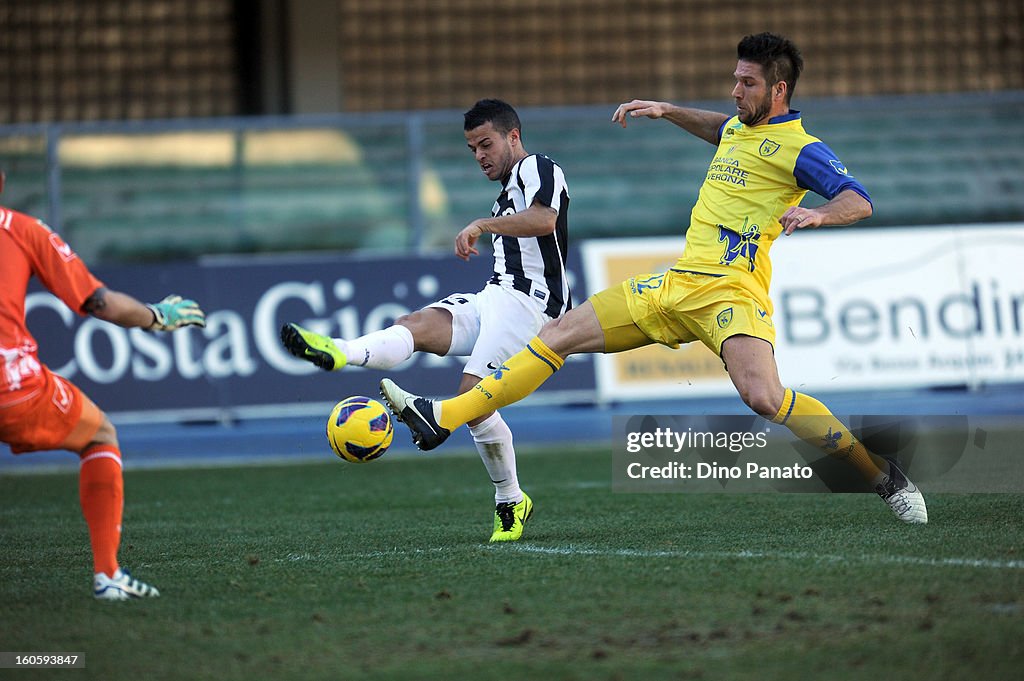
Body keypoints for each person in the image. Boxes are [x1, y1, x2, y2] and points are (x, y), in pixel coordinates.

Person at [380, 33, 927, 524]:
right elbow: (722, 129)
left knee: (763, 397)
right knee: (556, 335)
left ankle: (879, 472)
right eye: (734, 79)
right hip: (676, 283)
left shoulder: (802, 149)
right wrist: (667, 110)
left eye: (747, 83)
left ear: (778, 89)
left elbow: (860, 199)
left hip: (731, 293)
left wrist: (819, 213)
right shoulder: (739, 127)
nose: (735, 91)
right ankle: (444, 417)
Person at [280, 99, 572, 541]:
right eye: (472, 148)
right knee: (415, 324)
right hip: (496, 297)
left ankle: (510, 499)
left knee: (473, 400)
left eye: (486, 144)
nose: (479, 156)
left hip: (532, 307)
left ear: (513, 136)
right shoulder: (505, 190)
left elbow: (545, 220)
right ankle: (342, 351)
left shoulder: (538, 168)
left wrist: (481, 225)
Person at [0, 171, 208, 599]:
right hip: (12, 388)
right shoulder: (19, 229)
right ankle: (108, 576)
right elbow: (98, 302)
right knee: (99, 436)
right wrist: (157, 316)